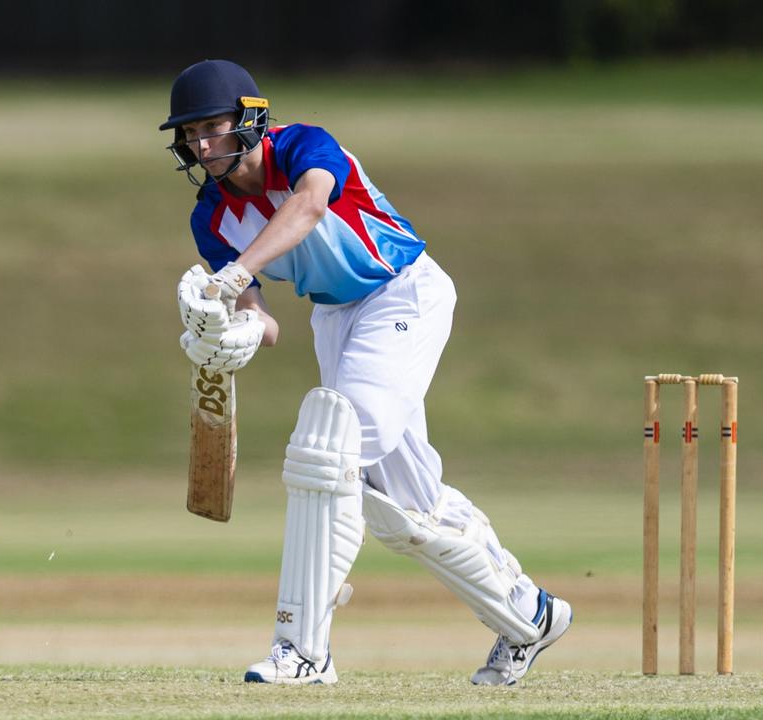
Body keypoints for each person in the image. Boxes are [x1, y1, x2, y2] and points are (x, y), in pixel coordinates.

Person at [164, 59, 572, 686]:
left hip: (402, 292)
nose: (200, 144)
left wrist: (235, 276)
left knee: (330, 453)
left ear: (250, 118)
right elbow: (263, 323)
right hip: (336, 319)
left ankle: (302, 649)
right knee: (404, 508)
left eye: (212, 127)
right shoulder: (210, 218)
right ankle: (529, 616)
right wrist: (225, 334)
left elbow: (307, 206)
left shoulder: (302, 145)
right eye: (190, 133)